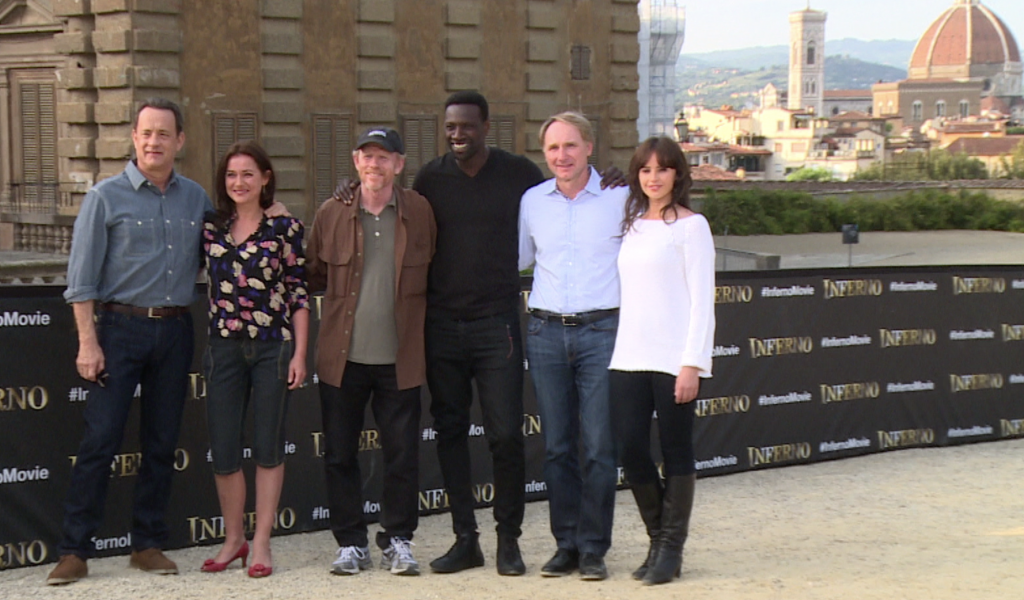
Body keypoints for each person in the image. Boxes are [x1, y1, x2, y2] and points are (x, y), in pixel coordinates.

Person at [332, 92, 623, 576]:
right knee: (449, 432)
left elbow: (568, 184)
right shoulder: (430, 177)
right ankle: (465, 538)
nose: (457, 134)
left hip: (498, 326)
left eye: (466, 126)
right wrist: (349, 186)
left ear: (487, 127)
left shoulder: (521, 177)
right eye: (450, 127)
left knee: (507, 435)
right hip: (441, 324)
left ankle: (508, 539)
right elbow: (382, 195)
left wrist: (612, 176)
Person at [49, 98, 213, 585]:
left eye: (164, 134)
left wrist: (276, 209)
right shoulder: (105, 197)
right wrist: (88, 343)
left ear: (179, 140)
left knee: (162, 442)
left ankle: (147, 543)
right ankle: (75, 550)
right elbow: (80, 281)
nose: (153, 142)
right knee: (100, 440)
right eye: (146, 133)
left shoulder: (196, 199)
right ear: (134, 138)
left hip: (176, 329)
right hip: (119, 331)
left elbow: (235, 238)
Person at [307, 128, 436, 577]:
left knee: (402, 455)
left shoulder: (419, 211)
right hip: (342, 359)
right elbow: (311, 274)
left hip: (401, 357)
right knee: (340, 454)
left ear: (399, 164)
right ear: (355, 161)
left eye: (384, 158)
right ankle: (350, 543)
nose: (375, 165)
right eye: (367, 157)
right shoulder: (331, 213)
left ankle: (397, 540)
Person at [518, 112, 629, 581]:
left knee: (600, 447)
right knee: (558, 447)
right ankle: (565, 544)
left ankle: (593, 548)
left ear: (589, 146)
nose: (561, 156)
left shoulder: (622, 197)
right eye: (552, 148)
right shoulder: (532, 201)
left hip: (602, 331)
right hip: (545, 332)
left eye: (570, 145)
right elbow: (522, 259)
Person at [198, 141, 310, 578]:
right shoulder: (211, 227)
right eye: (231, 175)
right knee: (224, 449)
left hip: (272, 347)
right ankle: (233, 539)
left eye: (248, 174)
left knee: (267, 446)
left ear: (265, 177)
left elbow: (299, 293)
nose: (238, 182)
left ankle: (261, 540)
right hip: (223, 348)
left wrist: (300, 352)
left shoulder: (286, 227)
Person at [608, 136, 715, 585]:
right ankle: (657, 539)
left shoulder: (692, 227)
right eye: (646, 170)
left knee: (676, 451)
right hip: (628, 355)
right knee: (630, 449)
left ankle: (671, 549)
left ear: (677, 175)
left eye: (663, 169)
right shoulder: (630, 224)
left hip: (674, 359)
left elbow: (702, 302)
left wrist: (692, 363)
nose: (654, 178)